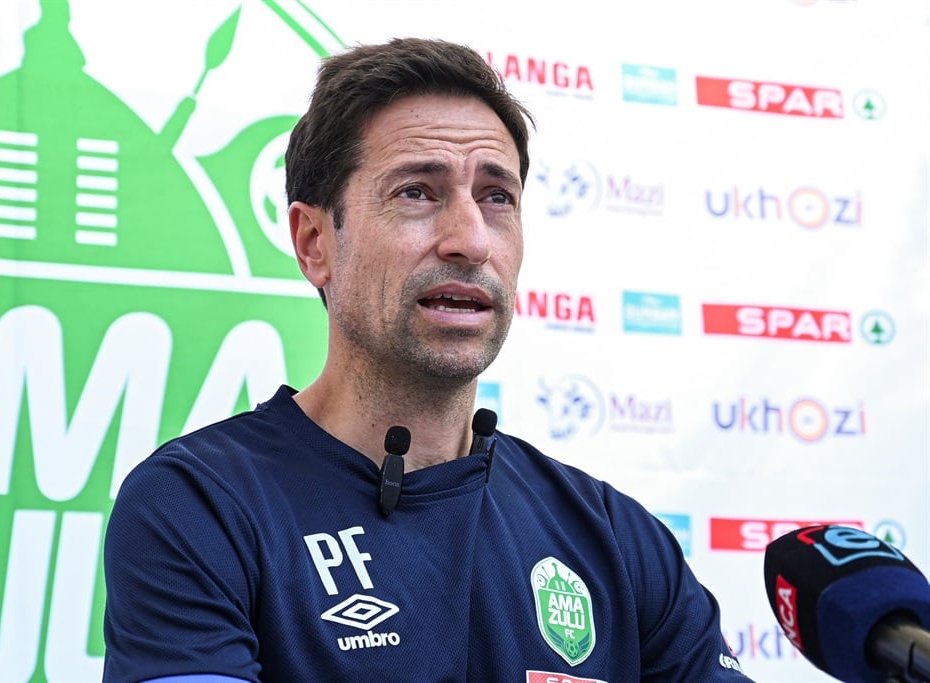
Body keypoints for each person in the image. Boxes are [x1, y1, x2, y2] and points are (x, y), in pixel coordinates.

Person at [102, 37, 754, 683]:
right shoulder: (201, 505)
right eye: (418, 192)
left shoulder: (615, 537)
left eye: (497, 196)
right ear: (313, 242)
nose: (470, 239)